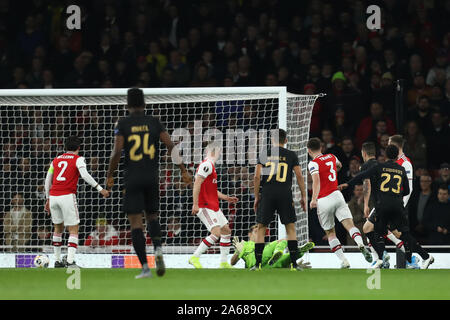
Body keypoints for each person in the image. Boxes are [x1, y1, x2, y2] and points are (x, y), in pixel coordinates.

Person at [106, 87, 192, 279]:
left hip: (132, 178)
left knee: (136, 223)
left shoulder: (123, 123)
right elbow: (170, 146)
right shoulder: (154, 122)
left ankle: (145, 267)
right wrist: (184, 171)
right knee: (152, 217)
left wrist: (110, 174)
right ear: (144, 104)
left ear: (127, 105)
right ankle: (159, 249)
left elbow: (117, 151)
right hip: (152, 177)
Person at [339, 145, 416, 269]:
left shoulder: (368, 166)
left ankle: (405, 258)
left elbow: (367, 185)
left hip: (379, 204)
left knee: (370, 229)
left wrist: (365, 205)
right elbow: (406, 189)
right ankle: (384, 259)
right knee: (388, 232)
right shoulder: (382, 165)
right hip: (390, 203)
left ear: (363, 153)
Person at [44, 136, 110, 267]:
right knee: (73, 229)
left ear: (65, 147)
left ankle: (57, 261)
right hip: (67, 196)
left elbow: (47, 180)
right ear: (79, 148)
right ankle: (69, 261)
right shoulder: (78, 159)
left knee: (57, 228)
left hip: (54, 196)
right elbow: (85, 175)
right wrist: (100, 189)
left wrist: (48, 198)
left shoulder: (56, 160)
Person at [307, 137, 371, 268]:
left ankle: (344, 261)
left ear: (308, 150)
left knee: (330, 233)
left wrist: (313, 199)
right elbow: (340, 165)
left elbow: (316, 181)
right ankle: (361, 244)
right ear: (321, 148)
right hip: (337, 195)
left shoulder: (313, 163)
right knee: (350, 226)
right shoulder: (331, 156)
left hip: (324, 199)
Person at [253, 129, 308, 271]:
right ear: (286, 140)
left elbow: (257, 177)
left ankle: (257, 265)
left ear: (272, 140)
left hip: (268, 193)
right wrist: (303, 195)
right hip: (285, 194)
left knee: (261, 228)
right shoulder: (291, 155)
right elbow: (299, 176)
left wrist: (257, 197)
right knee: (290, 228)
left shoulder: (265, 154)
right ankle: (294, 264)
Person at [189, 142, 238, 269]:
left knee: (226, 230)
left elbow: (211, 190)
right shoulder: (206, 165)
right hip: (204, 205)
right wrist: (195, 204)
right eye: (219, 152)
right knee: (216, 232)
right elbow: (197, 184)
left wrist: (226, 198)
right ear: (212, 152)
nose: (220, 154)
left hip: (213, 205)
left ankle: (223, 263)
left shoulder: (211, 166)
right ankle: (195, 257)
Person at [230, 225, 314, 269]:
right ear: (249, 234)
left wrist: (294, 266)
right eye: (256, 232)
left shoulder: (264, 245)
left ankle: (297, 252)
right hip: (254, 261)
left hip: (267, 266)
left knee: (286, 257)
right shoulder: (244, 244)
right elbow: (232, 262)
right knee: (282, 240)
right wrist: (238, 252)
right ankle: (282, 250)